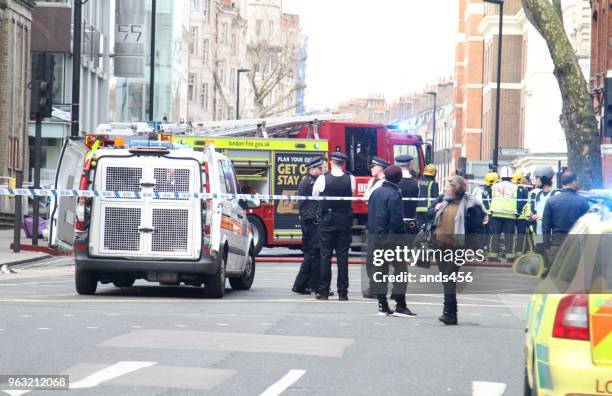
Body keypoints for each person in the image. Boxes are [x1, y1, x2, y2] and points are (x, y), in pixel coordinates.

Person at [429, 175, 485, 325]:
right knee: (447, 279)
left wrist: (474, 249)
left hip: (459, 246)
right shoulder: (442, 200)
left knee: (448, 276)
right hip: (440, 245)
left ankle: (448, 312)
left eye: (448, 187)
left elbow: (476, 229)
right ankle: (451, 314)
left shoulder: (470, 204)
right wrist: (435, 209)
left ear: (456, 189)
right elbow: (427, 215)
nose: (445, 189)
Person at [367, 165, 417, 317]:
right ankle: (400, 305)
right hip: (391, 239)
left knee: (381, 271)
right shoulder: (395, 195)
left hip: (376, 237)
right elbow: (396, 221)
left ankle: (382, 306)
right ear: (399, 179)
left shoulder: (376, 192)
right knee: (401, 270)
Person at [313, 152, 356, 301]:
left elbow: (315, 196)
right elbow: (352, 193)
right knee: (342, 257)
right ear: (343, 164)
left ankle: (324, 291)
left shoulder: (322, 179)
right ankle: (343, 293)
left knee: (325, 255)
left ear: (331, 163)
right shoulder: (350, 178)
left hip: (326, 220)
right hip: (344, 219)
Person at [292, 156, 325, 295]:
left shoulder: (310, 180)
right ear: (312, 169)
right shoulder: (310, 182)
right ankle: (301, 285)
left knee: (313, 254)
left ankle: (310, 285)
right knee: (313, 254)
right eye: (319, 168)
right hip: (311, 222)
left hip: (309, 220)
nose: (322, 170)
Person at [542, 171, 590, 265]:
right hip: (576, 245)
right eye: (577, 181)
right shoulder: (583, 202)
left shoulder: (551, 201)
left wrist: (547, 246)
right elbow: (588, 226)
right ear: (573, 182)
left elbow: (545, 227)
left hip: (557, 244)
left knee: (555, 276)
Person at [363, 156, 390, 299]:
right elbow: (366, 199)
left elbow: (369, 199)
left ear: (380, 168)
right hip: (372, 222)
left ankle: (377, 288)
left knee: (377, 258)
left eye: (374, 166)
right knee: (371, 258)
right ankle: (375, 286)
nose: (371, 168)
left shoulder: (383, 183)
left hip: (379, 225)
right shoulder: (372, 181)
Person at [488, 167, 519, 262]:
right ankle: (510, 258)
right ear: (511, 177)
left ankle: (492, 256)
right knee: (509, 236)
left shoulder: (494, 186)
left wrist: (490, 212)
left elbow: (490, 199)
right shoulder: (515, 187)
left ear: (500, 176)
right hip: (510, 215)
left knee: (495, 235)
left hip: (496, 214)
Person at [395, 154, 420, 233]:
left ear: (398, 166)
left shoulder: (393, 183)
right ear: (410, 165)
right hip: (411, 223)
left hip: (396, 223)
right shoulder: (416, 183)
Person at [512, 172, 531, 255]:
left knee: (512, 235)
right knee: (520, 235)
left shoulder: (511, 189)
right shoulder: (524, 190)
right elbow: (525, 202)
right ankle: (519, 252)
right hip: (522, 217)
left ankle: (512, 251)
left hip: (512, 215)